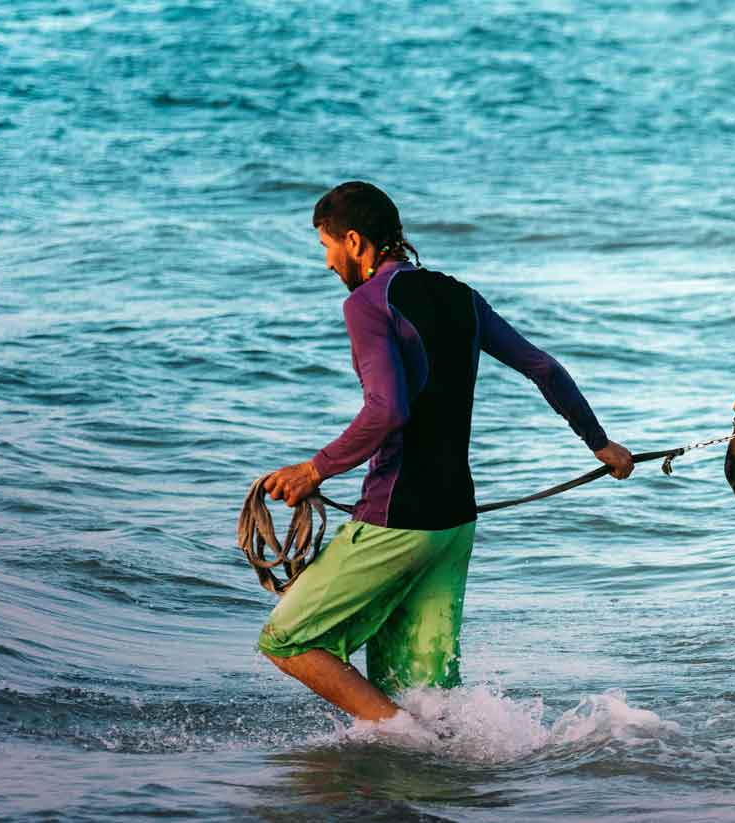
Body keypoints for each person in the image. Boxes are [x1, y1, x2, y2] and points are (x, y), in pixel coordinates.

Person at [256, 181, 636, 722]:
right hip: (454, 523)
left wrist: (313, 470)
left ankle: (400, 742)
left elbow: (386, 410)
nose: (327, 263)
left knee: (287, 639)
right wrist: (600, 444)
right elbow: (543, 367)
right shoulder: (461, 295)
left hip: (395, 520)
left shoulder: (367, 303)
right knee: (424, 695)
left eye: (326, 246)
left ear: (356, 242)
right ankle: (428, 778)